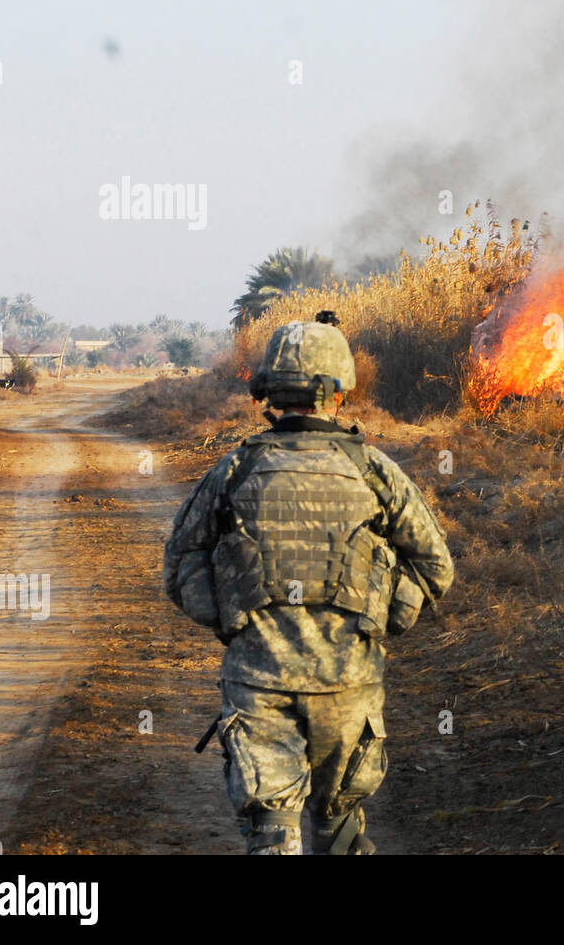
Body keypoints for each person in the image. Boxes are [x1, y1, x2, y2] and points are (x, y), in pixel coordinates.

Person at [163, 318, 455, 854]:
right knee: (340, 828)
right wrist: (385, 618)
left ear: (267, 392)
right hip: (348, 687)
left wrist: (230, 619)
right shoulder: (374, 471)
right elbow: (434, 562)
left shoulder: (236, 469)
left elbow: (182, 557)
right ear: (340, 393)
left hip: (259, 684)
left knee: (273, 833)